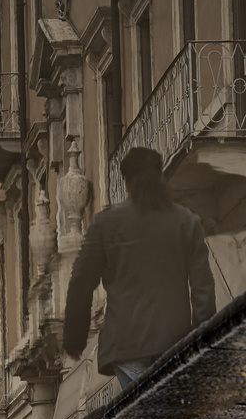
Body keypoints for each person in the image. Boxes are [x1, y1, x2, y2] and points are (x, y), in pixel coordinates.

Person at [63, 147, 216, 389]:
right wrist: (202, 340)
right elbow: (203, 289)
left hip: (126, 347)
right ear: (160, 175)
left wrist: (74, 337)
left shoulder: (106, 225)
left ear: (125, 181)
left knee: (144, 417)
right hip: (174, 343)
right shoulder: (187, 222)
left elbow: (81, 282)